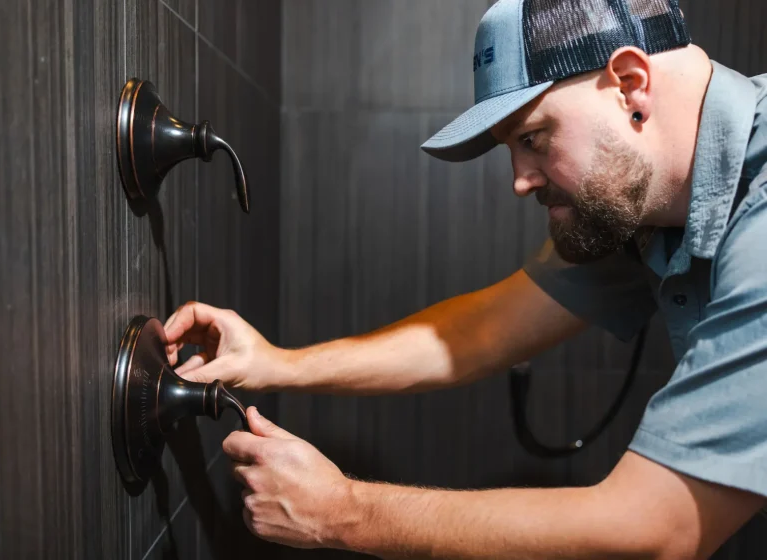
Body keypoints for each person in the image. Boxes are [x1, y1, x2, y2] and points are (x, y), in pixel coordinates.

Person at [164, 0, 767, 557]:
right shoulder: (647, 201)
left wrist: (338, 512)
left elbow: (655, 529)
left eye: (533, 138)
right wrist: (278, 364)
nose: (521, 180)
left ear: (630, 84)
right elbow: (480, 332)